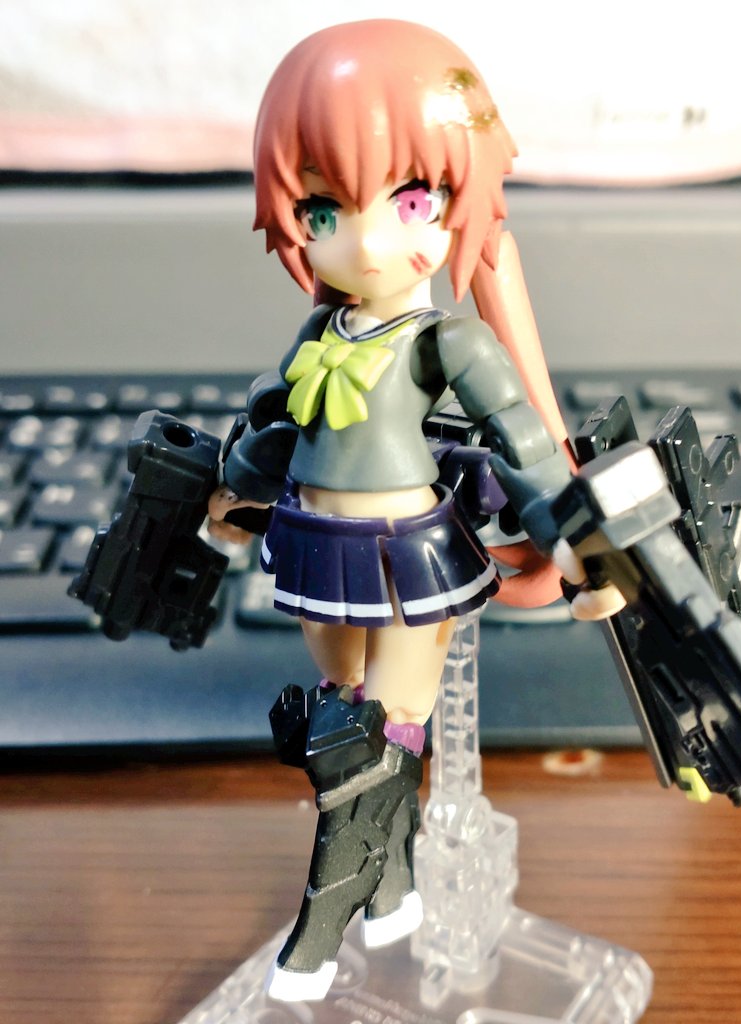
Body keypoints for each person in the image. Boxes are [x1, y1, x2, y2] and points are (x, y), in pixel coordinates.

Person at [207, 19, 624, 1002]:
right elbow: (281, 428)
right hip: (314, 547)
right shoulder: (324, 330)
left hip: (410, 555)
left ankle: (322, 929)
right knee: (340, 712)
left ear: (457, 202)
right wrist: (232, 492)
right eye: (323, 208)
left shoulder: (447, 342)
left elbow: (524, 448)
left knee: (370, 737)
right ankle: (391, 886)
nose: (366, 241)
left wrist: (577, 548)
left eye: (408, 202)